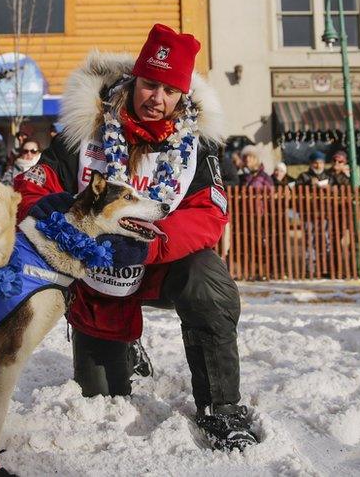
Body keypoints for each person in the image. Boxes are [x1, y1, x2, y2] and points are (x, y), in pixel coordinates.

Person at [14, 24, 258, 451]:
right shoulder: (83, 128)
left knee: (208, 280)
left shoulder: (198, 146)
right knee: (102, 396)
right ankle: (127, 349)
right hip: (94, 274)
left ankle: (220, 408)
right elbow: (32, 188)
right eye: (149, 84)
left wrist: (149, 243)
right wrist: (59, 220)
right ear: (134, 80)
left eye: (169, 89)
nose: (156, 98)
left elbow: (208, 215)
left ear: (183, 94)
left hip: (160, 264)